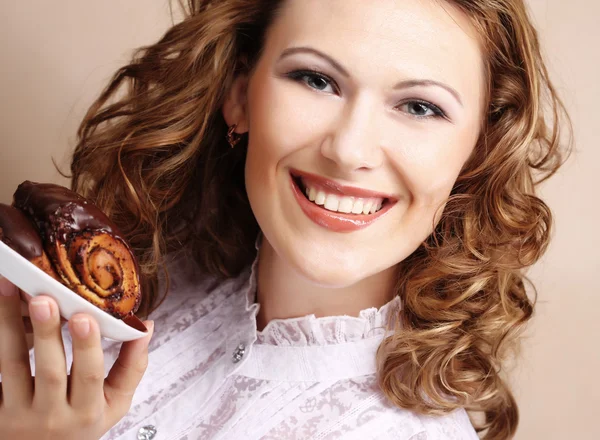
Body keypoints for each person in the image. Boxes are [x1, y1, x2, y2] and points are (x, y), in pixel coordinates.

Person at [0, 0, 571, 438]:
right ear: (240, 94)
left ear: (478, 151)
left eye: (420, 107)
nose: (349, 150)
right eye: (316, 79)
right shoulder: (135, 284)